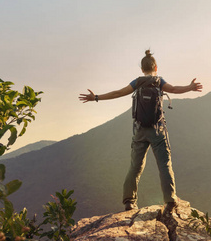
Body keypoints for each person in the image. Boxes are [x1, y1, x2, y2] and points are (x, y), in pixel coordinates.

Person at [79, 50, 202, 212]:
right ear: (156, 67)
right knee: (164, 164)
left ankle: (129, 201)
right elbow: (174, 89)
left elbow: (118, 93)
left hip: (139, 130)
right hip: (158, 130)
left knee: (135, 166)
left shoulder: (137, 82)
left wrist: (96, 97)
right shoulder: (159, 81)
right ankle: (170, 200)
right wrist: (190, 87)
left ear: (142, 69)